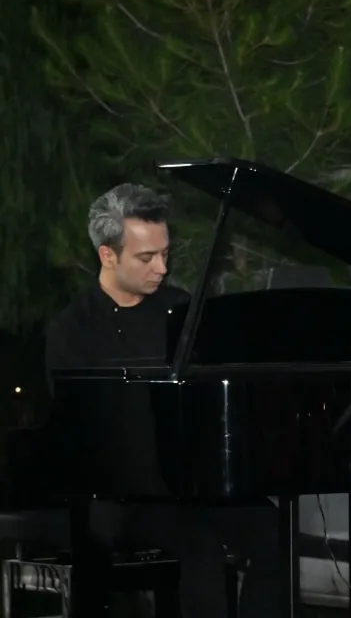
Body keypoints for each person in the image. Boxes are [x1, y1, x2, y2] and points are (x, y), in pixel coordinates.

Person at [45, 183, 282, 618]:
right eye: (146, 257)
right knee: (201, 548)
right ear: (107, 255)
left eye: (165, 254)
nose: (162, 268)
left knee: (275, 533)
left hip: (194, 482)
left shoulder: (180, 309)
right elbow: (79, 434)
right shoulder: (73, 330)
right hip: (123, 495)